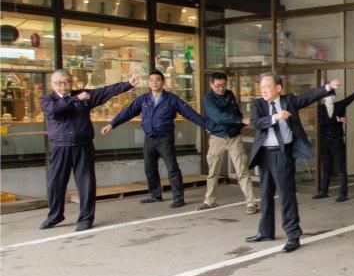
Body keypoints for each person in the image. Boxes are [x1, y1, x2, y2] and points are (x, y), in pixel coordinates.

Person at [245, 73, 341, 253]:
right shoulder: (259, 104)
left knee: (286, 195)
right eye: (262, 87)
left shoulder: (289, 101)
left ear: (278, 88)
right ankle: (266, 232)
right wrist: (276, 117)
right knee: (265, 195)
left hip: (282, 154)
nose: (263, 90)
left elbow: (308, 97)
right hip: (264, 155)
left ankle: (293, 235)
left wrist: (328, 87)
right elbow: (256, 122)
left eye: (267, 86)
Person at [39, 70, 139, 231]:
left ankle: (86, 218)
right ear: (52, 84)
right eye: (59, 83)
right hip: (60, 147)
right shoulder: (48, 100)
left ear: (71, 82)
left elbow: (105, 91)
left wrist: (127, 84)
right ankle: (55, 216)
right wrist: (76, 99)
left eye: (66, 82)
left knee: (86, 183)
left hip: (83, 146)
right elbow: (55, 110)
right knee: (55, 183)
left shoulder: (84, 95)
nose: (63, 86)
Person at [102, 69, 209, 209]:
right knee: (150, 167)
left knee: (172, 168)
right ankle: (155, 194)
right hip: (149, 138)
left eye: (157, 80)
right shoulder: (144, 99)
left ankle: (178, 197)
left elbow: (189, 113)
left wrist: (206, 126)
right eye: (151, 80)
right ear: (149, 83)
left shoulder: (171, 99)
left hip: (165, 138)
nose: (154, 82)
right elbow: (128, 112)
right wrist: (111, 124)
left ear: (163, 82)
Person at [197, 72, 258, 214]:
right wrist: (240, 120)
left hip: (234, 137)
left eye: (224, 85)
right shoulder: (208, 99)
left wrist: (239, 124)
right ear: (211, 84)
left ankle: (251, 203)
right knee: (213, 171)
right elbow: (218, 117)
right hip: (217, 138)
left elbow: (236, 113)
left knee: (242, 170)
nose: (221, 89)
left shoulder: (230, 95)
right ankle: (209, 200)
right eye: (218, 86)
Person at [313, 79, 354, 203]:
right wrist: (338, 119)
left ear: (335, 96)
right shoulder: (320, 109)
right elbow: (322, 122)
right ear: (323, 98)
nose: (330, 97)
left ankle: (343, 193)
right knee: (326, 168)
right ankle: (323, 191)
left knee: (341, 168)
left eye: (332, 95)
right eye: (328, 96)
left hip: (337, 141)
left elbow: (352, 97)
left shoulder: (340, 105)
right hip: (325, 143)